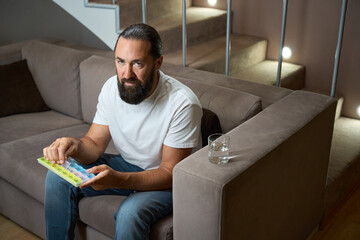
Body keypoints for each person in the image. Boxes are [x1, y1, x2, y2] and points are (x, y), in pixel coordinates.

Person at [43, 23, 202, 240]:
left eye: (138, 64)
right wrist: (74, 145)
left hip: (169, 182)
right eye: (120, 62)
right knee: (57, 176)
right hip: (128, 166)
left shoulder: (182, 103)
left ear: (158, 63)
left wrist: (119, 179)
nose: (127, 74)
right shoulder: (111, 87)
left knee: (130, 214)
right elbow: (95, 144)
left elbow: (169, 172)